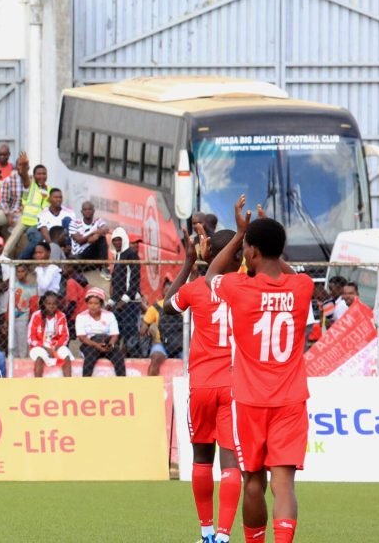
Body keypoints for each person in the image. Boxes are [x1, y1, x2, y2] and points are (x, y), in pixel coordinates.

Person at [204, 196, 311, 543]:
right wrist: (271, 245)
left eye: (247, 248)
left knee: (252, 480)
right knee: (284, 486)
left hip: (249, 402)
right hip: (291, 401)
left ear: (250, 253)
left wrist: (239, 234)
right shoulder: (303, 287)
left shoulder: (239, 288)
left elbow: (210, 275)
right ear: (280, 252)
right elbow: (289, 271)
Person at [160, 227, 241, 543]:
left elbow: (167, 306)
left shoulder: (195, 288)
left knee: (202, 459)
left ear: (209, 254)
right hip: (234, 384)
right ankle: (222, 536)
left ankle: (206, 533)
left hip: (202, 385)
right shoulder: (245, 285)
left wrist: (188, 262)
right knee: (231, 461)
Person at [76, 287, 124, 377]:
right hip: (90, 343)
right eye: (90, 303)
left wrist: (110, 345)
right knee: (90, 356)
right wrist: (96, 345)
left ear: (101, 304)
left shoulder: (109, 315)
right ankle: (85, 384)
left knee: (118, 355)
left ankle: (122, 383)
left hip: (107, 342)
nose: (92, 306)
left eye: (96, 303)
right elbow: (82, 337)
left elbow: (115, 334)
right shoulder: (81, 317)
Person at [110, 227, 143, 356]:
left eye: (119, 240)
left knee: (130, 331)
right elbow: (117, 281)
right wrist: (111, 301)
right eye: (114, 240)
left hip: (130, 301)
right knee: (118, 330)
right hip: (119, 301)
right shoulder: (118, 256)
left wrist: (124, 300)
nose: (117, 243)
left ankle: (135, 357)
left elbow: (134, 280)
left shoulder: (131, 255)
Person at [28, 291, 73, 377]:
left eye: (54, 304)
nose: (51, 306)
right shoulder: (36, 315)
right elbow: (31, 337)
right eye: (48, 303)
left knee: (66, 356)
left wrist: (57, 347)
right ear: (44, 304)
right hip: (40, 345)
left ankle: (68, 384)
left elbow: (65, 335)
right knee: (39, 358)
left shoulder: (61, 316)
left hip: (56, 346)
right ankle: (37, 385)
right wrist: (44, 347)